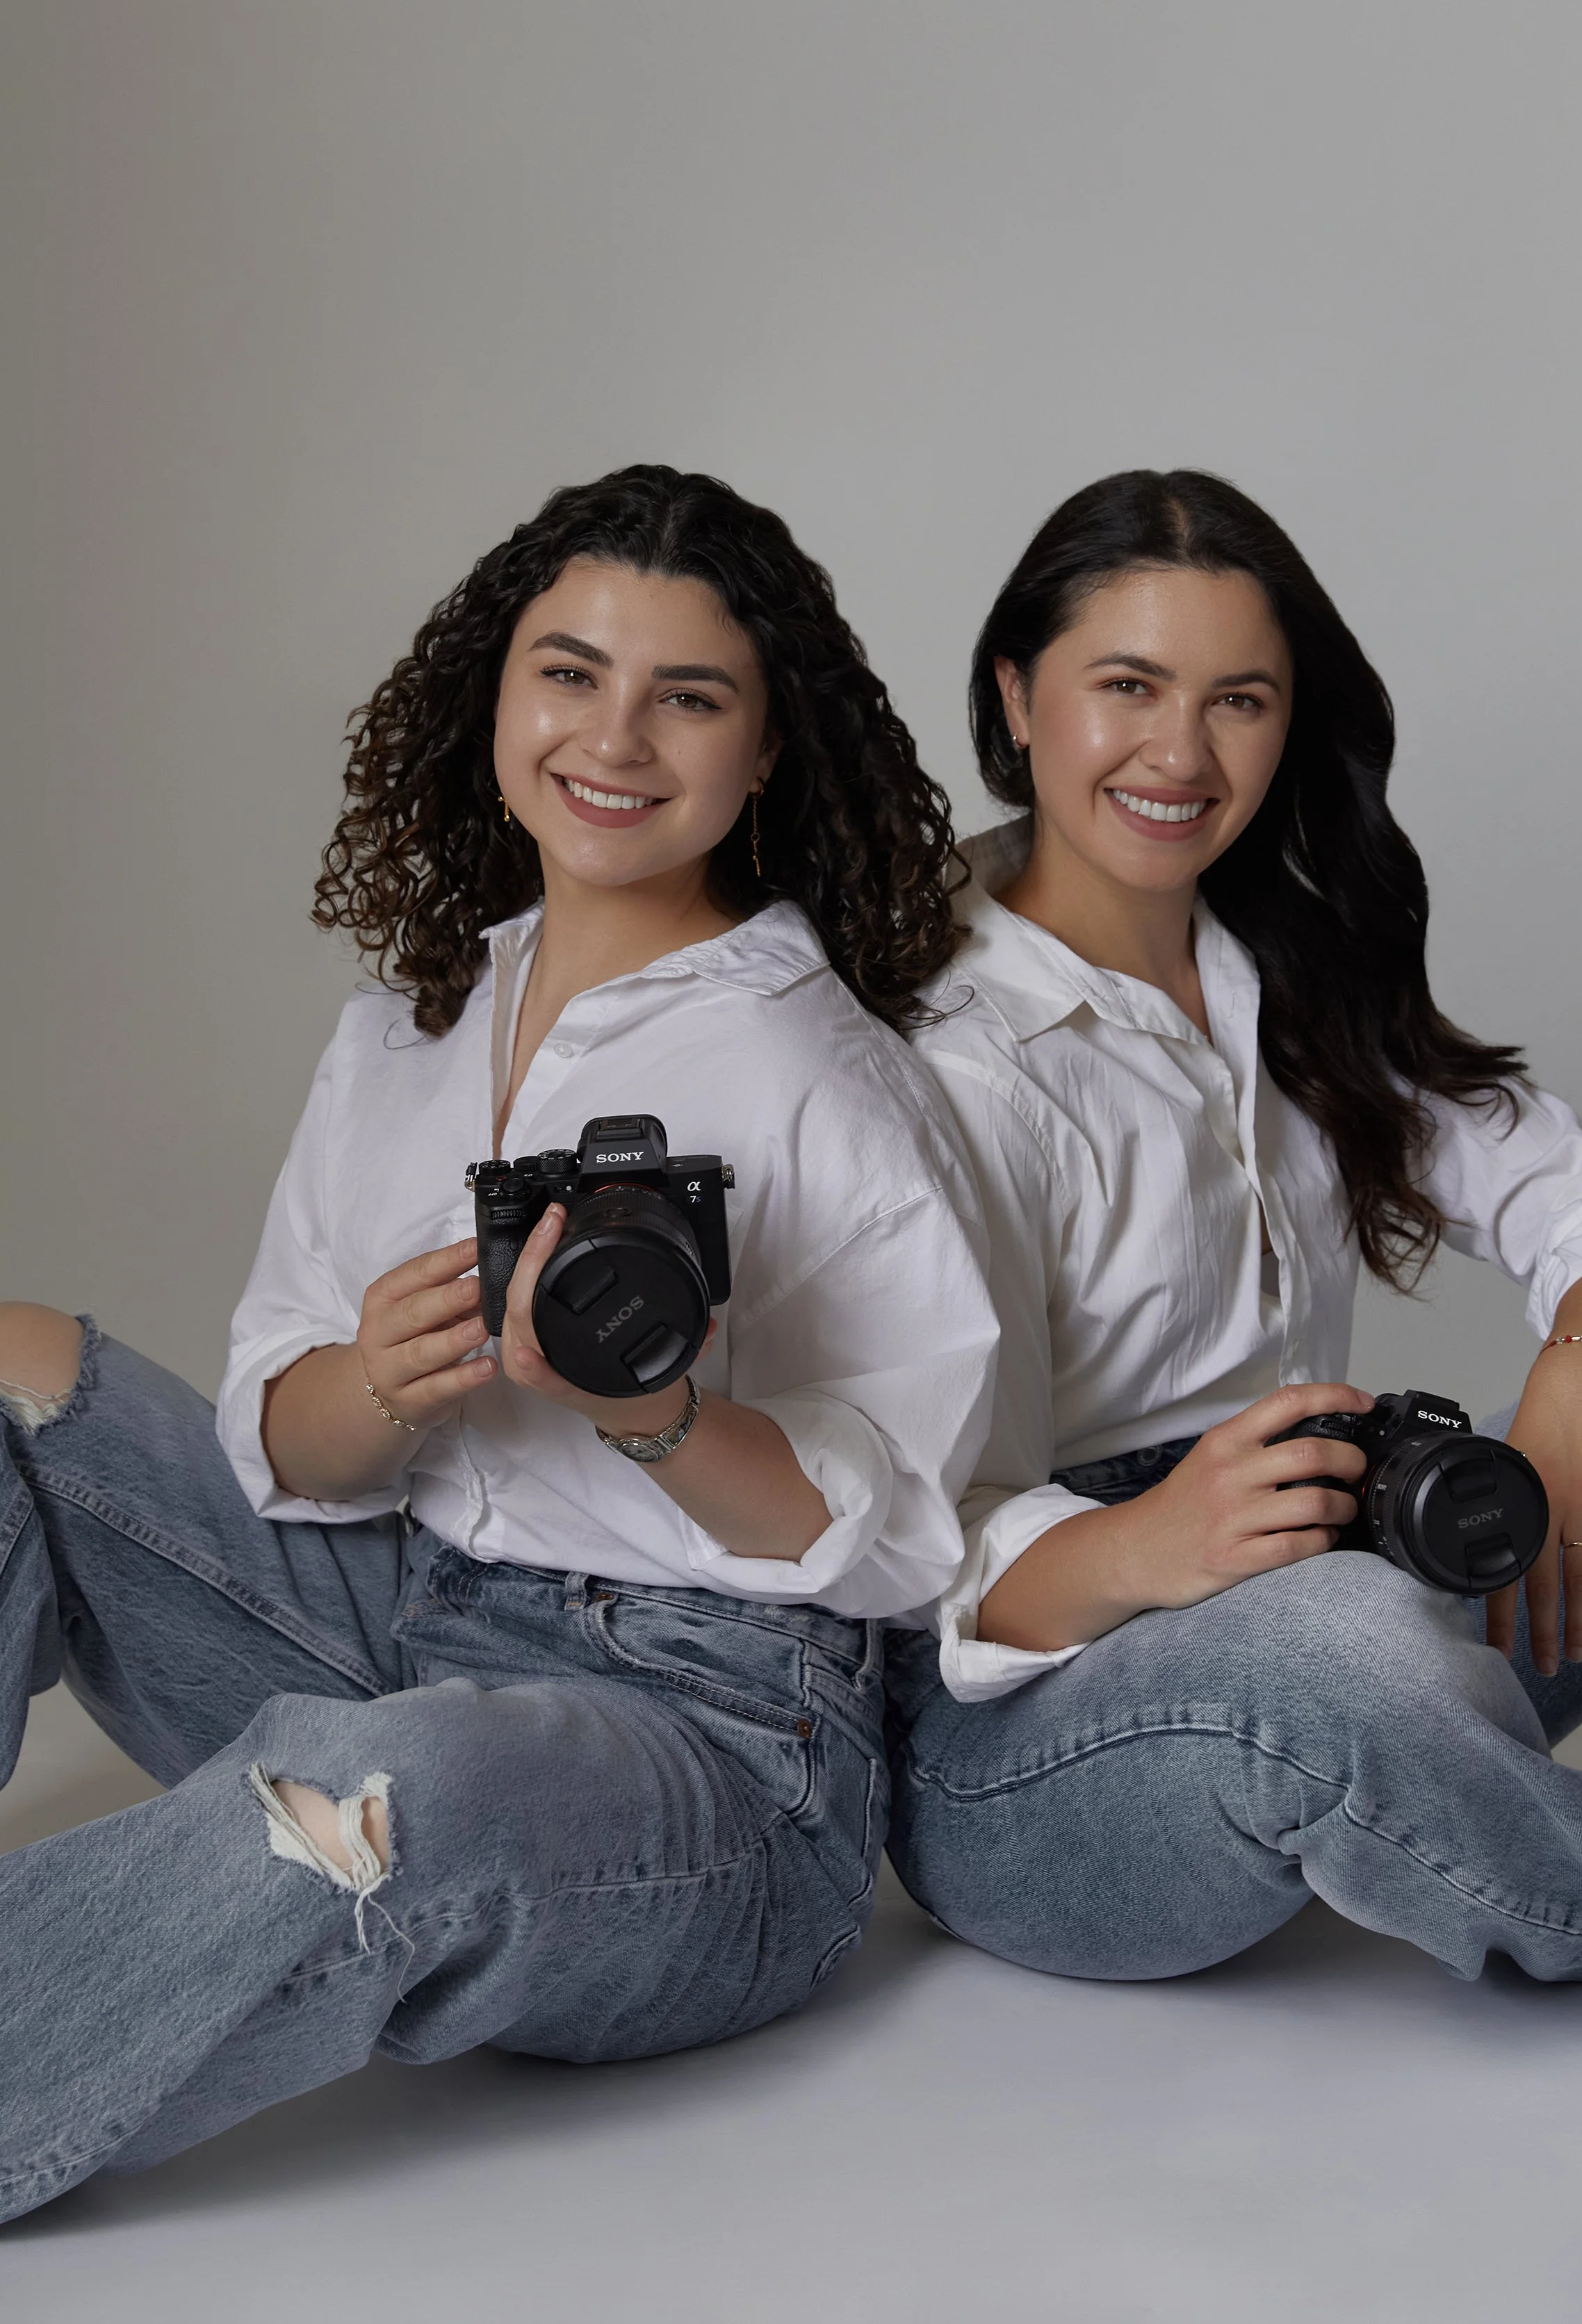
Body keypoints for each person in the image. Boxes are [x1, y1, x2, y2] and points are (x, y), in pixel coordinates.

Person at [0, 464, 997, 2220]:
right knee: (10, 1363)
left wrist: (662, 1413)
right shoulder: (406, 1027)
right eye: (570, 672)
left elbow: (903, 1541)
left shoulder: (827, 1074)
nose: (614, 736)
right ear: (495, 695)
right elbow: (283, 1441)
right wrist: (382, 1386)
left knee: (386, 1785)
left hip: (715, 1748)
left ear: (763, 753)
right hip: (404, 1613)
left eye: (688, 696)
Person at [886, 466, 1582, 2011]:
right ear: (1016, 697)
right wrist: (1162, 1544)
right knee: (1355, 1649)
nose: (1181, 753)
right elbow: (915, 1552)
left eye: (1240, 701)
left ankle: (1443, 1777)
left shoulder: (1284, 963)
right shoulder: (936, 1046)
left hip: (1339, 1556)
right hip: (1032, 1747)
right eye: (1126, 686)